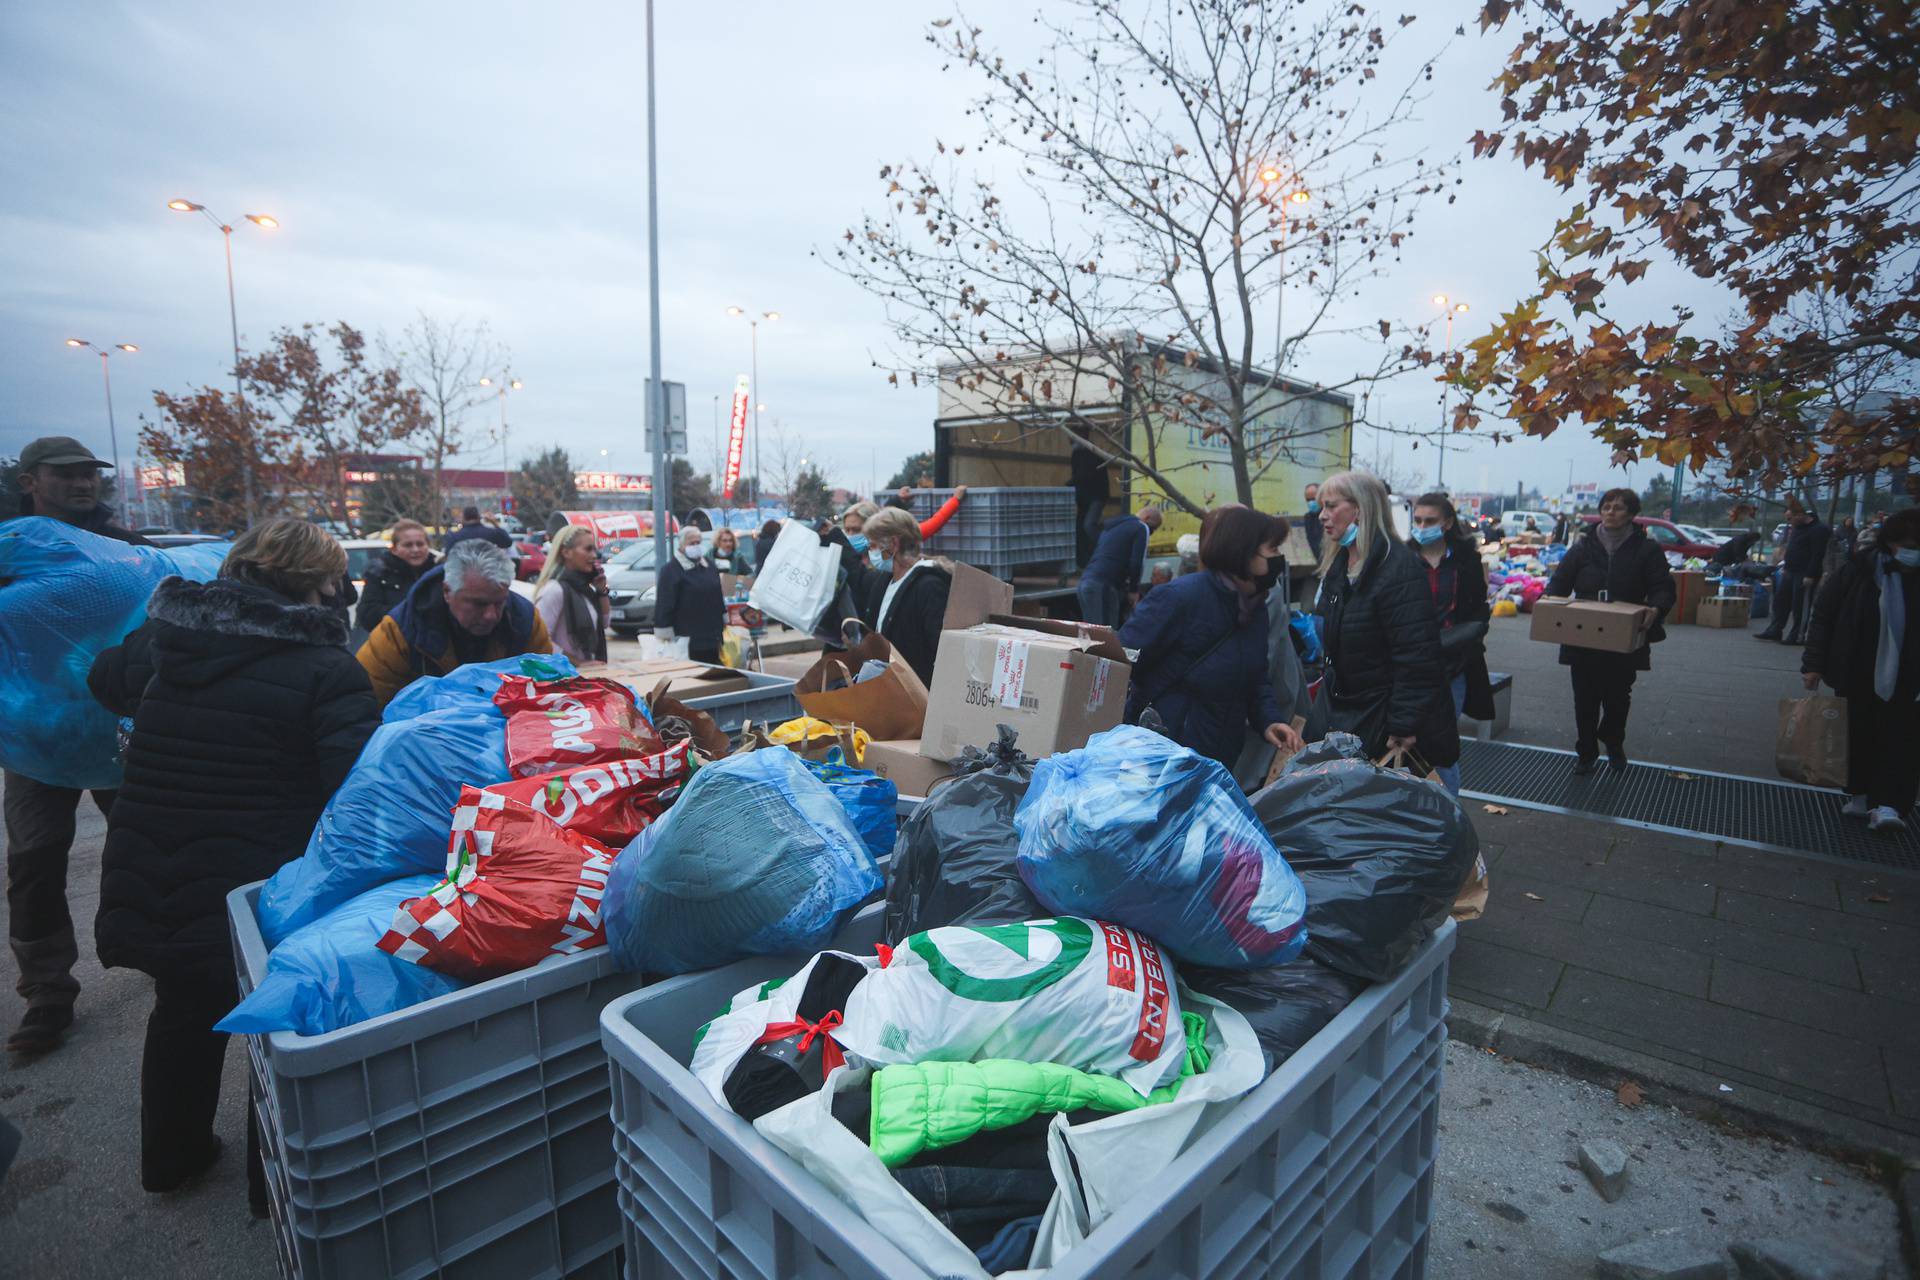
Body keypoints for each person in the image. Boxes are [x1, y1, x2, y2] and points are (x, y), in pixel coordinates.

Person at [87, 519, 378, 1191]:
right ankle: (271, 1190)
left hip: (153, 858)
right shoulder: (327, 667)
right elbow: (356, 786)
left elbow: (104, 680)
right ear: (316, 584)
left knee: (182, 1008)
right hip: (261, 877)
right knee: (273, 1028)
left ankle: (171, 1158)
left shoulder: (169, 638)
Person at [5, 436, 151, 1056]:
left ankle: (152, 942)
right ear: (30, 480)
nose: (82, 482)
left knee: (143, 842)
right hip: (36, 736)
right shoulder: (11, 552)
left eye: (89, 473)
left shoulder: (124, 550)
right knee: (36, 859)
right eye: (65, 474)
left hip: (113, 725)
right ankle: (46, 989)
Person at [1122, 505, 1303, 772]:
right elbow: (1122, 659)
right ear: (1243, 551)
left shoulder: (1255, 609)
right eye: (1273, 549)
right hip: (1161, 760)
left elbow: (1255, 678)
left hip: (1218, 760)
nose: (1279, 557)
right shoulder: (1178, 598)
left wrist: (1269, 721)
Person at [1312, 471, 1461, 773]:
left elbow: (1417, 656)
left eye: (1331, 506)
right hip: (1352, 714)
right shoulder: (1339, 565)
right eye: (1321, 508)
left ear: (1361, 508)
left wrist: (1403, 723)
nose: (1322, 516)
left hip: (1384, 722)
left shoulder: (1397, 569)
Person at [1801, 506, 1920, 833]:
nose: (1913, 553)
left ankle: (1889, 805)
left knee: (1902, 739)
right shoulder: (1859, 570)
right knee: (1857, 734)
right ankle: (1860, 794)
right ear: (1890, 543)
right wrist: (1813, 665)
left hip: (1910, 676)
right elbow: (1823, 615)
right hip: (1857, 669)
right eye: (1908, 545)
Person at [1544, 487, 1676, 773]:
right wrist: (1550, 603)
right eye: (1606, 507)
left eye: (1617, 508)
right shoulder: (1583, 547)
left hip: (1624, 635)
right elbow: (1559, 584)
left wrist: (1656, 609)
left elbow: (1662, 588)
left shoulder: (1646, 549)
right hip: (1584, 634)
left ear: (1631, 514)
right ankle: (1586, 751)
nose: (1610, 512)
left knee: (1618, 698)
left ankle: (1613, 741)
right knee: (1585, 699)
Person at [356, 540, 551, 706]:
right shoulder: (401, 630)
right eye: (479, 604)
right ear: (447, 592)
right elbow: (370, 703)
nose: (491, 615)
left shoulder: (525, 620)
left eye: (500, 602)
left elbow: (548, 691)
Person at [1409, 493, 1494, 794]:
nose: (1421, 526)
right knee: (1409, 738)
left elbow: (1477, 607)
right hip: (1410, 663)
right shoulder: (1404, 559)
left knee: (1442, 739)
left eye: (1429, 520)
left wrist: (1472, 634)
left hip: (1453, 663)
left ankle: (1448, 810)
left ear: (1446, 523)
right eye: (1417, 520)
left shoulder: (1465, 560)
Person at [849, 506, 952, 686]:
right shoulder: (884, 581)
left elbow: (941, 650)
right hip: (888, 691)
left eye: (873, 545)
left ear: (893, 544)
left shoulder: (929, 586)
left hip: (914, 696)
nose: (870, 552)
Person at [532, 523, 609, 665]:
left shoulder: (584, 588)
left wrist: (602, 591)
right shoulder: (554, 590)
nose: (594, 555)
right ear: (566, 552)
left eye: (594, 550)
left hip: (586, 675)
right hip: (564, 678)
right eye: (588, 549)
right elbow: (538, 642)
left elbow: (604, 624)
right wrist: (578, 663)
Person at [1757, 505, 1831, 644]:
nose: (1790, 522)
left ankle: (1797, 635)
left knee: (1800, 605)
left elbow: (1817, 554)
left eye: (1791, 519)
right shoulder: (1798, 528)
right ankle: (1775, 629)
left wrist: (1810, 574)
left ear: (1800, 515)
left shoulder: (1819, 530)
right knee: (1781, 601)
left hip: (1805, 573)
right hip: (1790, 570)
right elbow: (1792, 547)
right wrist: (1786, 565)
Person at [1079, 505, 1163, 627]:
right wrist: (1133, 590)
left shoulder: (1113, 526)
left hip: (1085, 582)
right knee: (1106, 634)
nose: (1151, 533)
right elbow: (1137, 563)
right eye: (1153, 528)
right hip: (1104, 585)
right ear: (1147, 517)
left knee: (1093, 634)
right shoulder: (1141, 527)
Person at [654, 526, 726, 663]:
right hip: (686, 639)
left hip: (712, 636)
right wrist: (665, 632)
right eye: (691, 543)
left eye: (698, 542)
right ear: (682, 545)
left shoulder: (709, 566)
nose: (696, 546)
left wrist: (723, 619)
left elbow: (718, 595)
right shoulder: (671, 570)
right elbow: (665, 603)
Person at [353, 518, 437, 632]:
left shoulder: (439, 572)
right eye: (408, 545)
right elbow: (367, 614)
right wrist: (410, 613)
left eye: (420, 544)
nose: (415, 549)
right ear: (394, 549)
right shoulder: (380, 573)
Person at [1072, 443, 1111, 567]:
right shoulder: (1079, 454)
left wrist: (1069, 484)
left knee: (1088, 526)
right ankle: (1084, 559)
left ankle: (1104, 550)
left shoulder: (1088, 455)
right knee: (1082, 527)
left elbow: (1082, 476)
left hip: (1096, 496)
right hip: (1087, 498)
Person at [442, 506, 514, 555]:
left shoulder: (455, 537)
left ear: (464, 518)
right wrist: (494, 522)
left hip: (463, 575)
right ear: (479, 517)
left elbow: (448, 556)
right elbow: (508, 542)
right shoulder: (491, 533)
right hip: (487, 573)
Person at [1302, 483, 1324, 560]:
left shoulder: (1330, 516)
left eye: (1313, 499)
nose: (1311, 502)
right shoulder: (1308, 518)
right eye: (1308, 500)